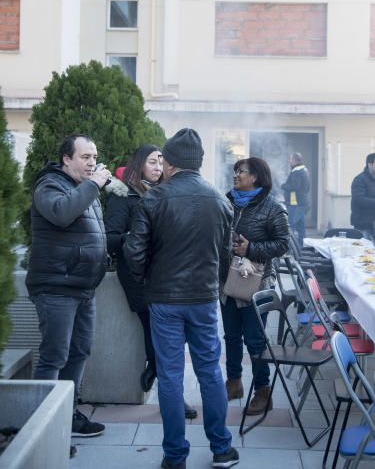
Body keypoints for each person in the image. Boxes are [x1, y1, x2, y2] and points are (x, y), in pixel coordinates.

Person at [124, 128, 239, 469]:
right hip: (204, 299)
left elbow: (133, 252)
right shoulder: (220, 200)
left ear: (170, 163)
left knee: (171, 376)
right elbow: (226, 257)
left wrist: (148, 279)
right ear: (199, 163)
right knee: (210, 372)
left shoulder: (154, 198)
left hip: (164, 300)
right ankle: (221, 449)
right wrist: (213, 288)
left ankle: (175, 456)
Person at [26, 134, 111, 438]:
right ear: (66, 159)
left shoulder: (81, 188)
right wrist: (93, 184)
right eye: (85, 157)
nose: (92, 163)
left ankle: (67, 415)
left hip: (83, 288)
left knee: (80, 351)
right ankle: (42, 428)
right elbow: (62, 213)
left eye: (94, 157)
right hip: (56, 287)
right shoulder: (49, 184)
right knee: (54, 356)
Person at [104, 144, 197, 419]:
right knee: (159, 333)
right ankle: (169, 390)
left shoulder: (162, 193)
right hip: (138, 275)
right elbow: (110, 238)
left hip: (164, 274)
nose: (158, 168)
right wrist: (139, 239)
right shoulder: (123, 195)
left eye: (161, 163)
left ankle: (155, 369)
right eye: (152, 162)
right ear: (139, 164)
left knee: (166, 335)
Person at [222, 157, 290, 416]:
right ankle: (234, 383)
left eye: (242, 171)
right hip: (227, 281)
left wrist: (252, 249)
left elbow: (282, 243)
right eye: (235, 171)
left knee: (255, 339)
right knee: (230, 336)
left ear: (257, 178)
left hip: (257, 283)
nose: (236, 175)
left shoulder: (273, 208)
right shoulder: (226, 202)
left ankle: (263, 391)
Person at [281, 152, 310, 247]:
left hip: (295, 204)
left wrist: (284, 186)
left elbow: (294, 186)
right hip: (302, 203)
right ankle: (302, 247)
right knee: (301, 228)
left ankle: (289, 249)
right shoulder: (304, 171)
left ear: (295, 160)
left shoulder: (296, 172)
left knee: (290, 226)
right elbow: (307, 187)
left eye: (290, 159)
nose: (289, 161)